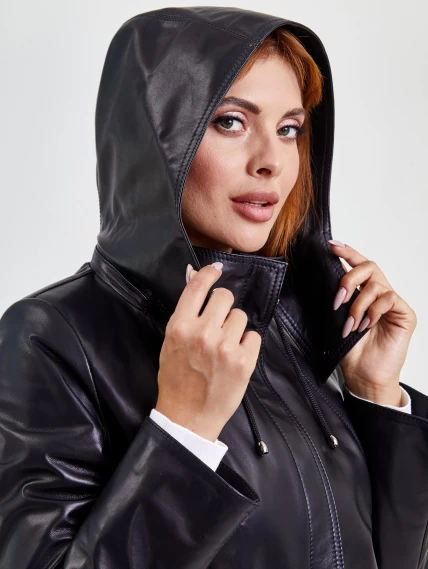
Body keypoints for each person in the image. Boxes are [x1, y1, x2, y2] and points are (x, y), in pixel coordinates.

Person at [0, 6, 426, 569]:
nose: (271, 162)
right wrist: (184, 429)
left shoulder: (295, 326)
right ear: (155, 138)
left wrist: (376, 394)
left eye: (289, 129)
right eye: (230, 122)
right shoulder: (52, 338)